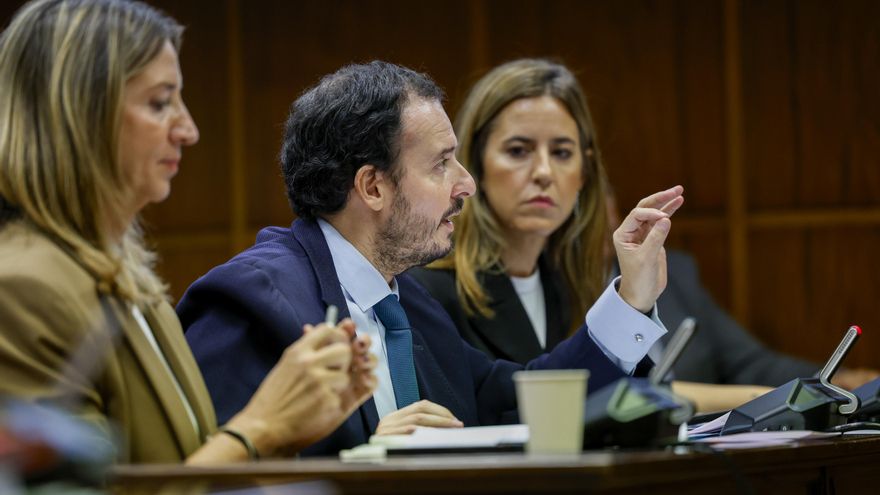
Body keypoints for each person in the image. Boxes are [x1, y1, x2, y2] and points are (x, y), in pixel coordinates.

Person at [178, 60, 685, 455]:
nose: (466, 184)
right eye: (442, 164)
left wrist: (631, 299)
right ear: (373, 186)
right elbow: (213, 475)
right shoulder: (250, 301)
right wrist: (368, 457)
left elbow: (518, 402)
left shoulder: (406, 304)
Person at [0, 0, 376, 464]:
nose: (190, 130)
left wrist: (291, 428)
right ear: (78, 116)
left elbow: (186, 469)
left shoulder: (132, 285)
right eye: (160, 103)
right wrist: (260, 425)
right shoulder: (21, 290)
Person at [408, 59, 773, 412]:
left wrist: (635, 296)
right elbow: (521, 407)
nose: (544, 172)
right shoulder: (426, 289)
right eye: (518, 151)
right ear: (474, 165)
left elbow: (622, 400)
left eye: (562, 152)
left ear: (583, 173)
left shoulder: (568, 283)